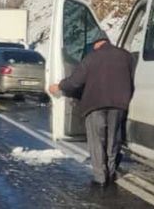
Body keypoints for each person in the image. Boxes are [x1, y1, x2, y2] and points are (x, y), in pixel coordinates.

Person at [48, 31, 134, 187]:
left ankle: (100, 178)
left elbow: (75, 82)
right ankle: (111, 172)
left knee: (96, 142)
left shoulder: (91, 58)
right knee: (113, 140)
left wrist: (59, 86)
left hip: (95, 104)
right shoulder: (126, 56)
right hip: (119, 105)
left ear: (96, 44)